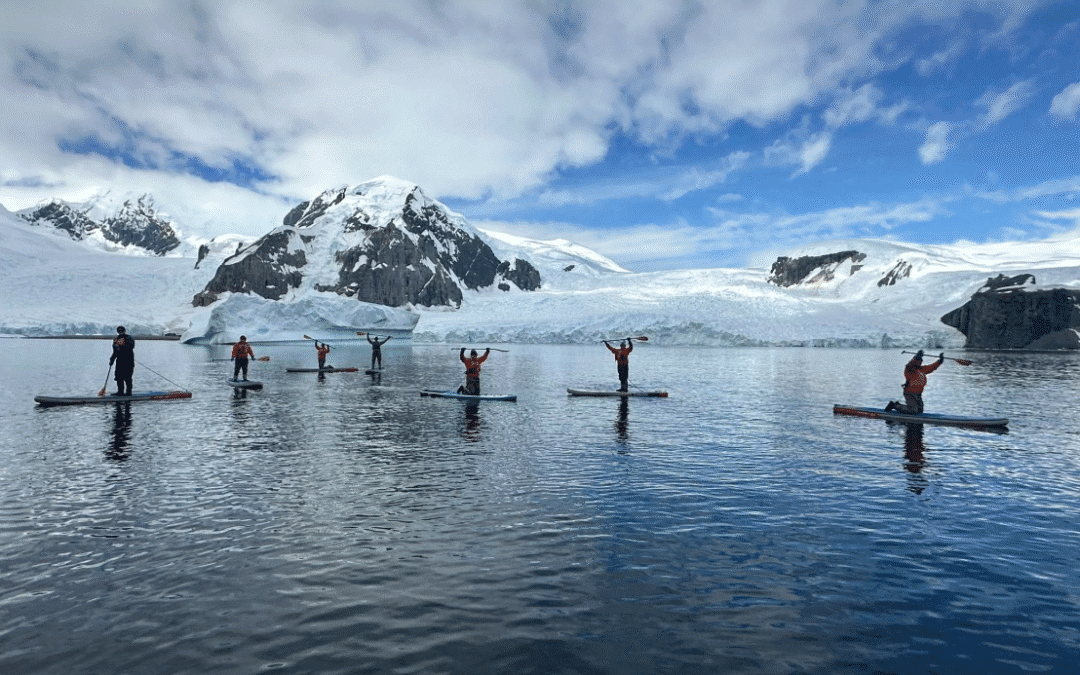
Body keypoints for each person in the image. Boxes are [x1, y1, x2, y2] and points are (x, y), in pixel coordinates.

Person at [885, 350, 945, 415]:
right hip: (909, 393)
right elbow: (910, 364)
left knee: (919, 411)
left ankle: (899, 405)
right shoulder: (909, 369)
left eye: (920, 361)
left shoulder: (922, 369)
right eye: (918, 361)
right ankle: (894, 406)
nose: (919, 362)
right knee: (913, 411)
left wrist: (940, 361)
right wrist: (917, 357)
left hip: (918, 394)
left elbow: (932, 367)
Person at [109, 325, 135, 396]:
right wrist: (112, 359)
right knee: (118, 376)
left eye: (122, 331)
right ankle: (120, 391)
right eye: (119, 331)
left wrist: (121, 346)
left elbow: (131, 346)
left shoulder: (128, 338)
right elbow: (115, 352)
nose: (120, 332)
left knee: (127, 376)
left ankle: (129, 392)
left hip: (128, 361)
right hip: (119, 361)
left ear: (124, 331)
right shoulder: (116, 339)